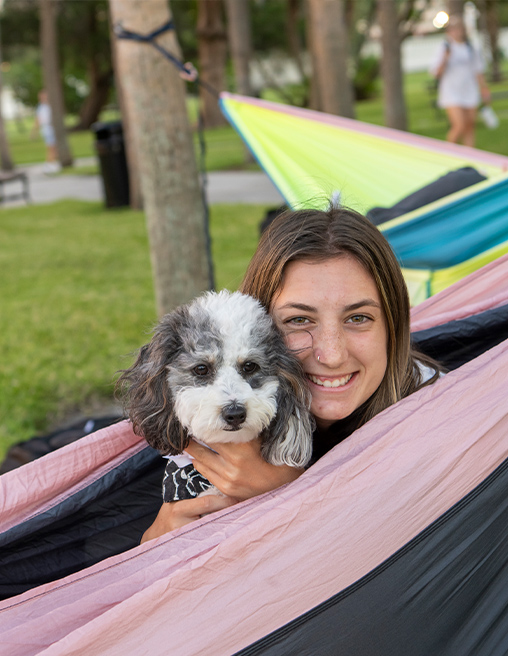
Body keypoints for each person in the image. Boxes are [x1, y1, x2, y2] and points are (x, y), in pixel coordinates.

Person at [141, 206, 442, 542]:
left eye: (358, 318)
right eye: (299, 320)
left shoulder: (440, 427)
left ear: (393, 325)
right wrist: (156, 537)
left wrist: (287, 491)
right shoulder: (212, 426)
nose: (331, 355)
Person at [430, 15, 491, 147]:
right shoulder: (444, 47)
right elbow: (436, 73)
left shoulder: (470, 47)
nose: (456, 32)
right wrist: (445, 58)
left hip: (469, 90)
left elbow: (478, 70)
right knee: (459, 125)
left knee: (470, 126)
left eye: (459, 28)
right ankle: (449, 153)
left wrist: (484, 89)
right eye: (453, 29)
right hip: (451, 91)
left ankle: (470, 156)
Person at [32, 89, 59, 173]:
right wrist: (34, 131)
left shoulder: (49, 106)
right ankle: (49, 164)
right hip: (47, 129)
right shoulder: (41, 107)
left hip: (52, 128)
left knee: (54, 147)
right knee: (51, 147)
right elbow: (38, 120)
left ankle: (53, 163)